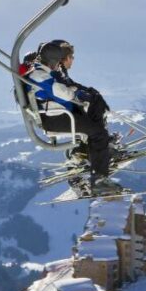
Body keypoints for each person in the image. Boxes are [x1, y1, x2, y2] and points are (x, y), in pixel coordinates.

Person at [24, 39, 119, 191]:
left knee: (93, 122)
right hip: (55, 118)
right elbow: (63, 93)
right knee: (98, 133)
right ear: (53, 61)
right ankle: (99, 180)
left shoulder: (40, 73)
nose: (58, 66)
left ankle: (92, 151)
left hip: (57, 115)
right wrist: (77, 93)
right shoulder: (40, 76)